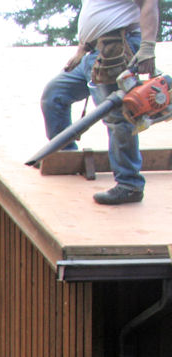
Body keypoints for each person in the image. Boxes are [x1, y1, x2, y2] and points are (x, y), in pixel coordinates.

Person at [40, 0, 159, 205]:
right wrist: (81, 49)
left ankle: (130, 184)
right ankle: (66, 157)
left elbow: (149, 2)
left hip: (117, 48)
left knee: (118, 116)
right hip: (93, 53)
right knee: (54, 95)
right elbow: (98, 14)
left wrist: (147, 47)